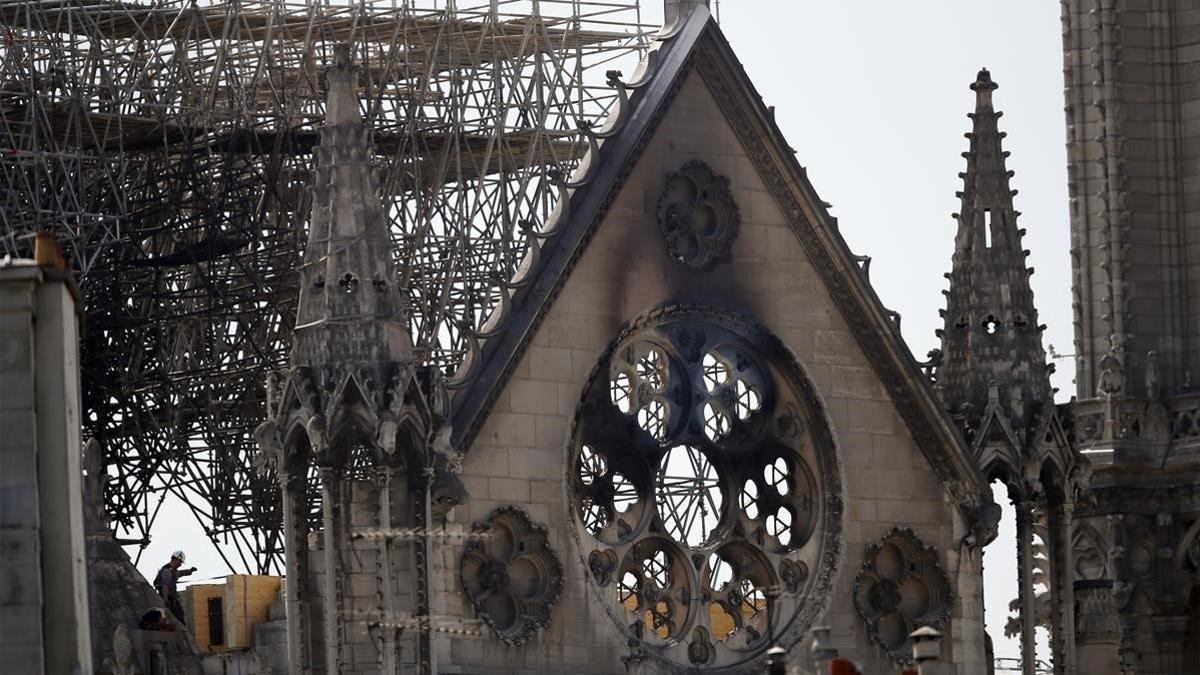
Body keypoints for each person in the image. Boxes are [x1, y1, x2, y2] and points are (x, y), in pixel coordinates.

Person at [153, 550, 196, 624]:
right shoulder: (167, 570)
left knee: (179, 616)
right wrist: (166, 600)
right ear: (176, 560)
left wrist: (190, 571)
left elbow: (180, 573)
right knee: (178, 617)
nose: (180, 565)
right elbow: (165, 586)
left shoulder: (172, 570)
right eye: (180, 562)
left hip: (170, 598)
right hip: (168, 598)